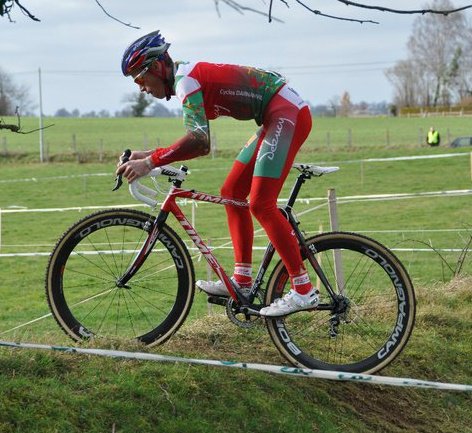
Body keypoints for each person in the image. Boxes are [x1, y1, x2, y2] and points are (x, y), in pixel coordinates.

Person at [116, 30, 319, 317]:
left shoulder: (186, 81)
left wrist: (149, 162)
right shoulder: (185, 79)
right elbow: (194, 138)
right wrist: (146, 156)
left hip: (287, 112)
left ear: (158, 67)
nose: (141, 88)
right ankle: (243, 282)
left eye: (139, 78)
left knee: (262, 203)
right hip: (274, 115)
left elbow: (199, 142)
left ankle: (303, 289)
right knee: (232, 192)